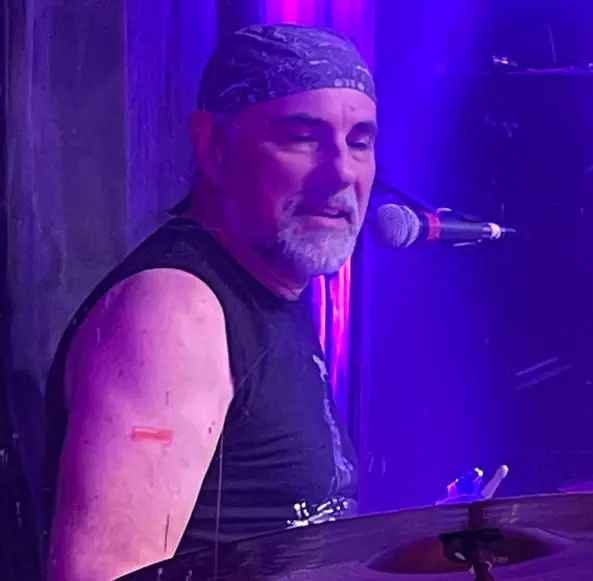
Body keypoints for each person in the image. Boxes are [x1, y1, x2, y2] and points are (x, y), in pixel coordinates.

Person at [43, 24, 378, 581]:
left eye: (359, 142)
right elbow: (101, 575)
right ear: (213, 147)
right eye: (303, 137)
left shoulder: (272, 288)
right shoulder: (174, 311)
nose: (341, 171)